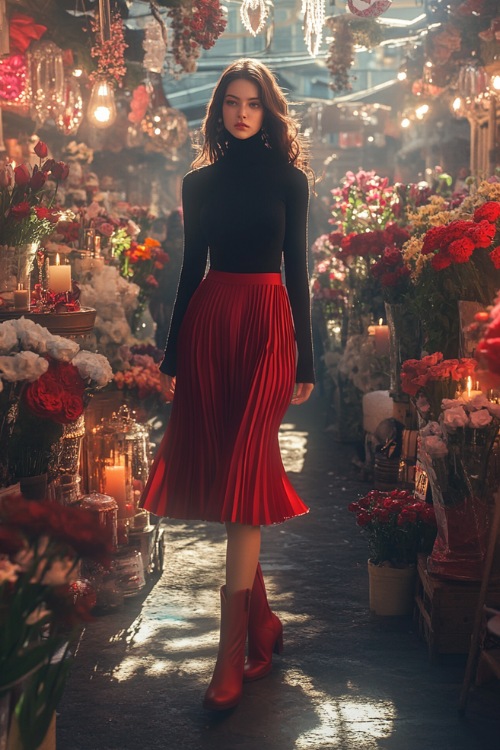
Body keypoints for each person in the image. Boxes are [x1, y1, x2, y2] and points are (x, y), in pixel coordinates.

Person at [141, 58, 315, 711]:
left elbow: (297, 272)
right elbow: (190, 272)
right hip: (211, 325)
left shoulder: (291, 181)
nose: (242, 112)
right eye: (232, 102)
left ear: (268, 112)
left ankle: (229, 655)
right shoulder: (199, 183)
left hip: (269, 327)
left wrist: (308, 361)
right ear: (218, 112)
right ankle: (261, 624)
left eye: (254, 103)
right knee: (229, 478)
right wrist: (171, 354)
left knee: (246, 473)